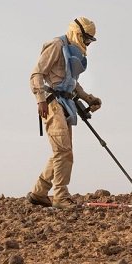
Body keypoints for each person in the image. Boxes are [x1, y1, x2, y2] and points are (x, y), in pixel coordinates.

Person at [28, 18, 102, 209]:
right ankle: (60, 196)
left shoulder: (70, 51)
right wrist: (41, 99)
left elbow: (72, 82)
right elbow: (37, 73)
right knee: (63, 150)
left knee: (62, 151)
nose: (86, 43)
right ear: (78, 33)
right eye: (86, 39)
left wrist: (88, 99)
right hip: (52, 103)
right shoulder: (56, 45)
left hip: (66, 104)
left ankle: (39, 192)